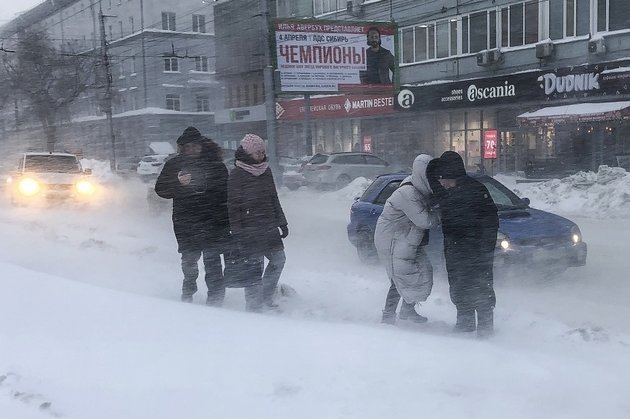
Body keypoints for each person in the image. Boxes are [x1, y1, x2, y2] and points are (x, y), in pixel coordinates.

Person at [155, 127, 230, 305]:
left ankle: (216, 297)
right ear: (182, 148)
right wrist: (178, 183)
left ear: (202, 146)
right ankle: (188, 290)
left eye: (195, 146)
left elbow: (226, 194)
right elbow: (160, 190)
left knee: (212, 260)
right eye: (187, 147)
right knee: (189, 260)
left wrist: (227, 222)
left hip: (212, 220)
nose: (191, 150)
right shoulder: (174, 165)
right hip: (185, 221)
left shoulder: (215, 165)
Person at [430, 151, 499, 338]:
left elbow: (490, 223)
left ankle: (485, 331)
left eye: (443, 179)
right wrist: (434, 167)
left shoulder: (474, 192)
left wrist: (481, 250)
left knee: (480, 289)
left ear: (452, 175)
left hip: (474, 253)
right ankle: (465, 325)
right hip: (457, 252)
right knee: (460, 288)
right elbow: (434, 182)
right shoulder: (451, 192)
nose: (441, 183)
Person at [227, 133, 288, 312]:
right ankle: (253, 307)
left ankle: (266, 297)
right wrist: (237, 232)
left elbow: (273, 198)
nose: (261, 156)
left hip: (269, 226)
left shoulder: (265, 170)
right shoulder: (237, 174)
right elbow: (233, 206)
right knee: (254, 268)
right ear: (246, 153)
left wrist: (282, 222)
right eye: (257, 153)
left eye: (262, 152)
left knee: (279, 260)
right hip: (249, 229)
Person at [374, 154, 438, 325]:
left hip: (405, 238)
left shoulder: (419, 190)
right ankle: (388, 316)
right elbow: (424, 221)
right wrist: (439, 212)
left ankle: (408, 310)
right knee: (399, 279)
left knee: (421, 272)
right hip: (391, 239)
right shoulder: (407, 193)